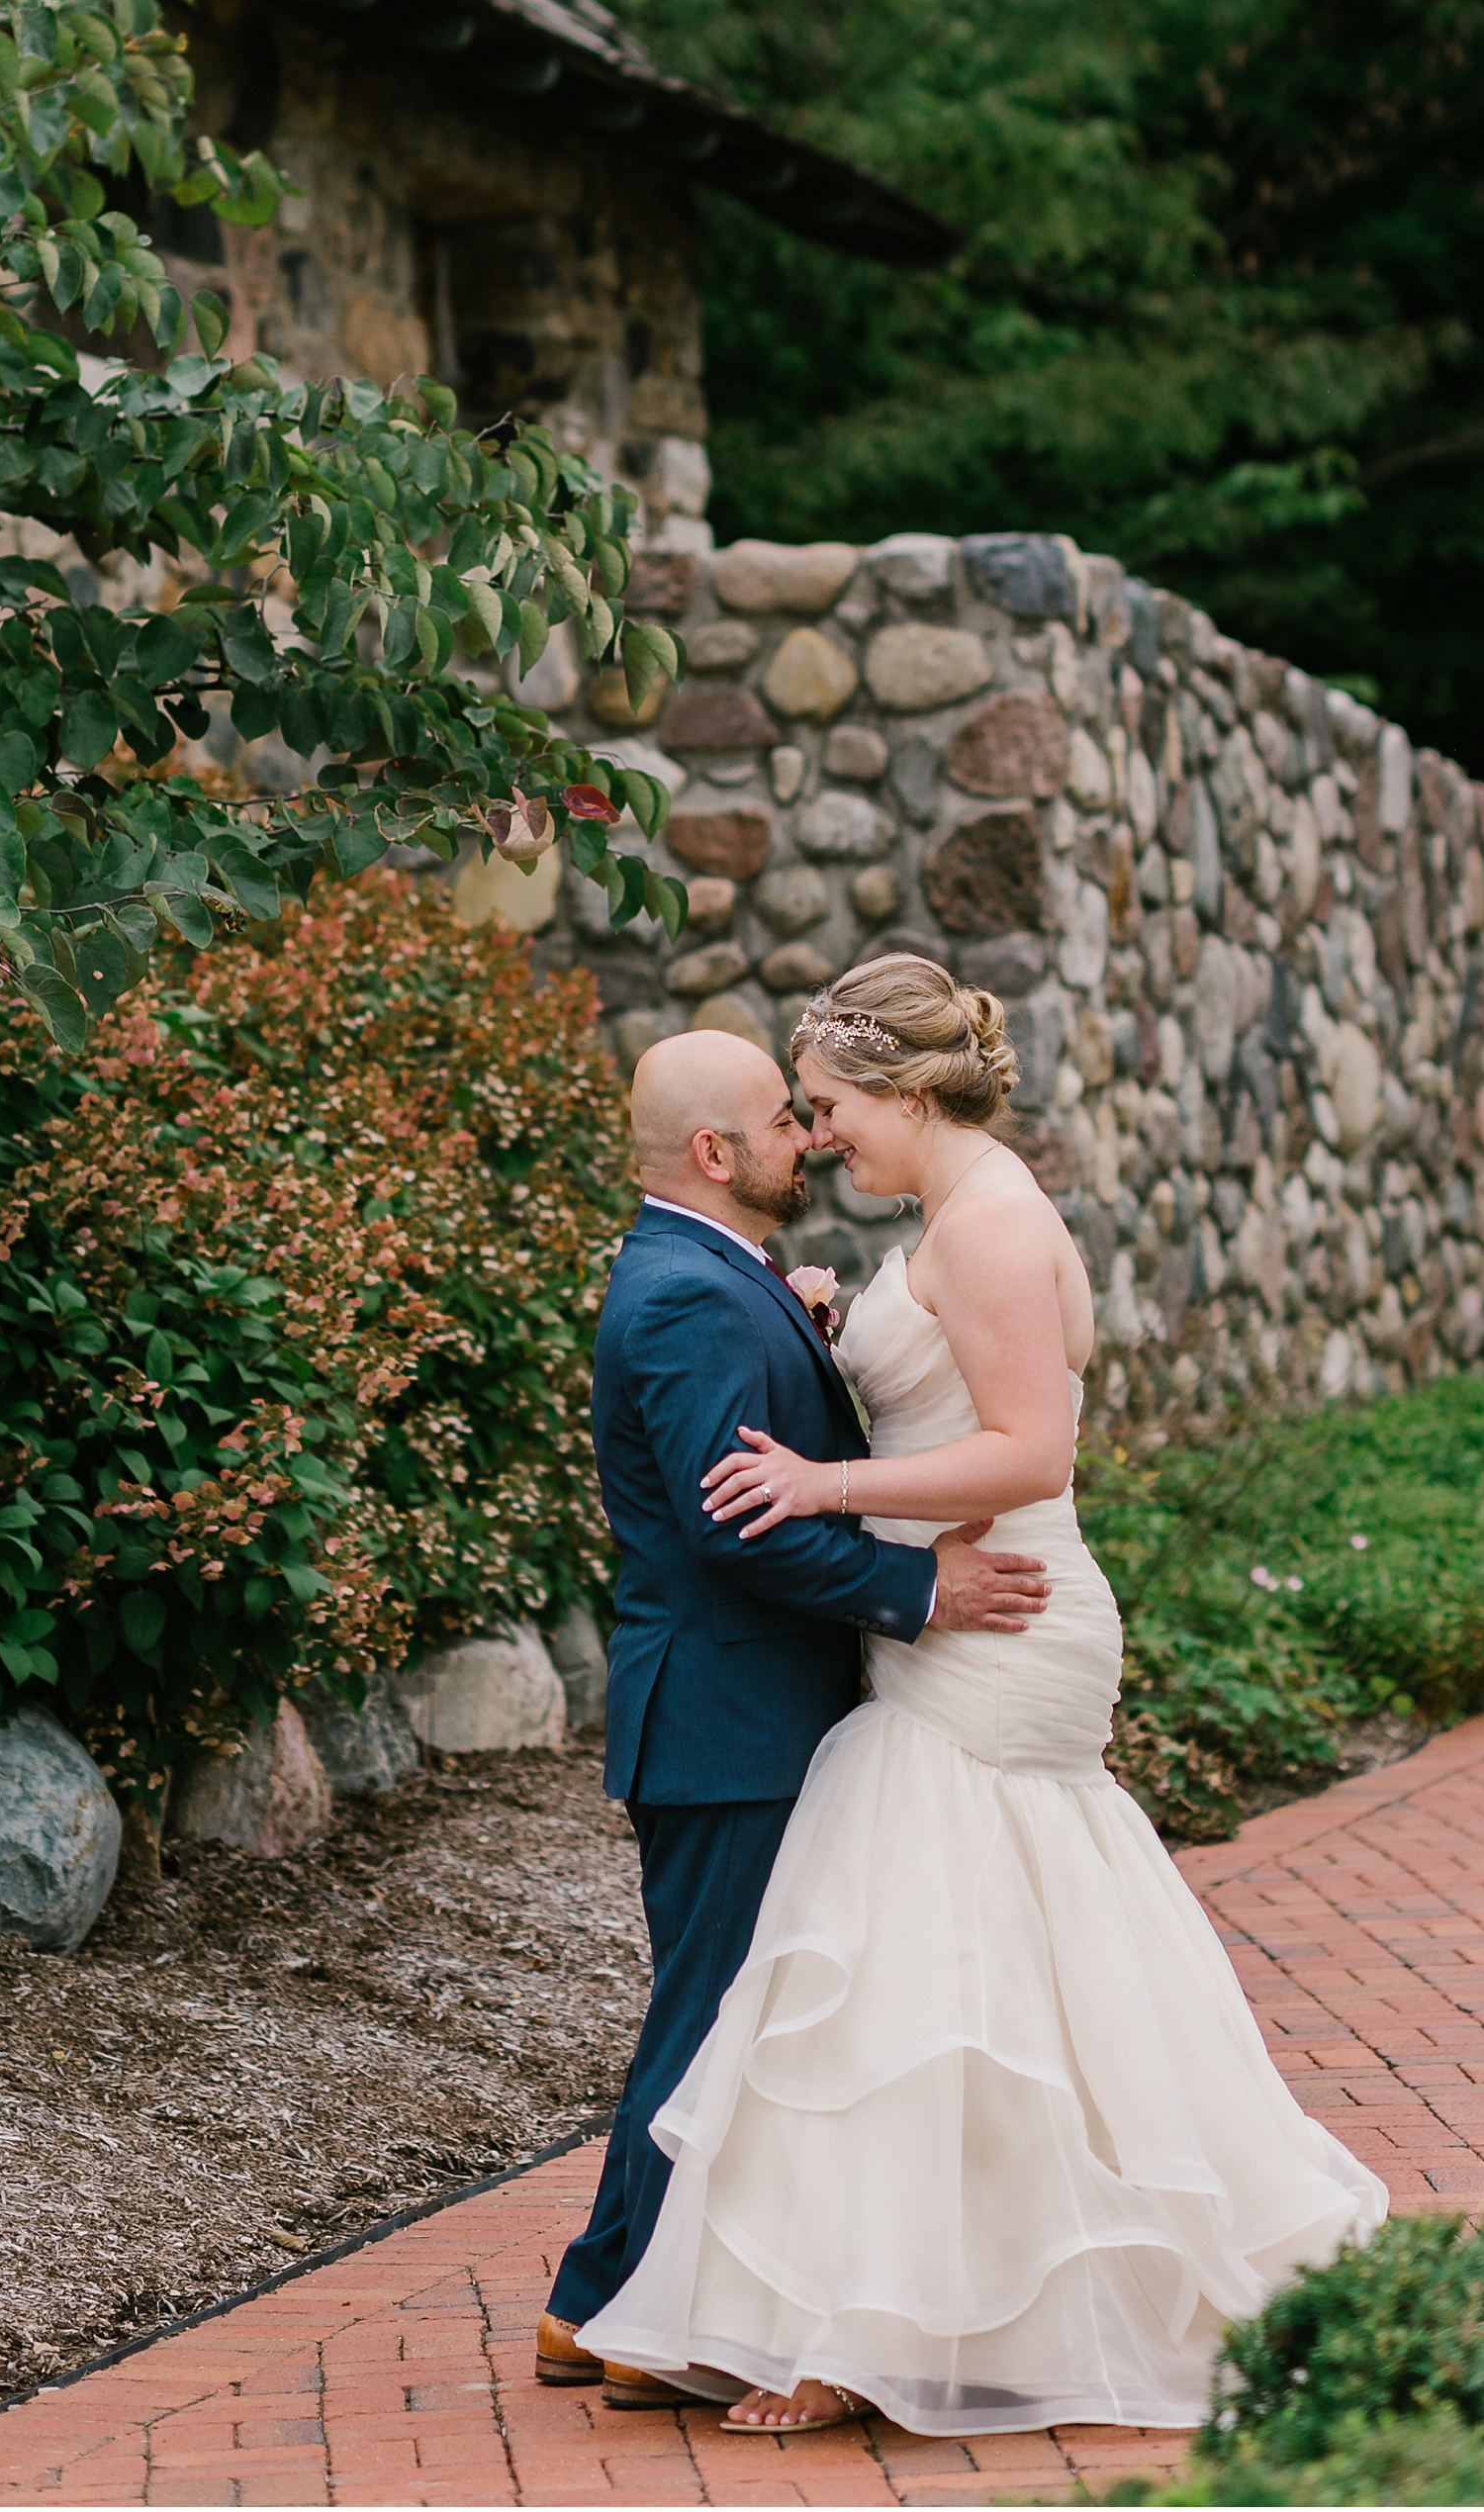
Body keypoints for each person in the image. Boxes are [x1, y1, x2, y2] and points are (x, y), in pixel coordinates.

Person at [577, 956, 1388, 2439]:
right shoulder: (954, 1215)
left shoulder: (998, 1221)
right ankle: (882, 2306)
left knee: (902, 1961)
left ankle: (854, 2327)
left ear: (900, 1092)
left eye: (825, 1109)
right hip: (938, 1621)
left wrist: (825, 1477)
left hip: (996, 1629)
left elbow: (1030, 1453)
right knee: (942, 1973)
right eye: (797, 1115)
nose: (819, 1140)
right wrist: (828, 1337)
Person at [535, 1024, 1055, 2408]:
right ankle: (597, 2306)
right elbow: (733, 1531)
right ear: (714, 1152)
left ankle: (629, 2295)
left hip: (752, 1704)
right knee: (712, 2016)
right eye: (782, 1118)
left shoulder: (716, 1271)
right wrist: (917, 1591)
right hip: (728, 1710)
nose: (805, 1137)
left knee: (732, 2013)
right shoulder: (688, 1293)